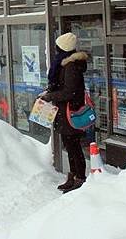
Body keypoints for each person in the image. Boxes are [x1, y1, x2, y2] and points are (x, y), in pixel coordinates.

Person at [41, 32, 88, 193]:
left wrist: (50, 96)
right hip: (65, 111)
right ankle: (73, 176)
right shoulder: (64, 64)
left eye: (58, 46)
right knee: (69, 145)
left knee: (73, 146)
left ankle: (80, 177)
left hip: (70, 112)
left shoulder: (70, 66)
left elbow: (69, 92)